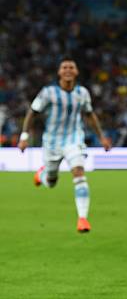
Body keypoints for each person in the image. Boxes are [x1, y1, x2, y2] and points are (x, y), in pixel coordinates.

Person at [18, 58, 112, 233]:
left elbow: (90, 115)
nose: (68, 70)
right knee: (51, 182)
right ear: (59, 72)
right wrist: (24, 136)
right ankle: (42, 175)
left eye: (71, 67)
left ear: (76, 72)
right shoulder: (48, 93)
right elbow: (32, 112)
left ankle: (82, 219)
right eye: (64, 67)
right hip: (52, 142)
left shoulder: (82, 93)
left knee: (78, 171)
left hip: (74, 139)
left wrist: (102, 137)